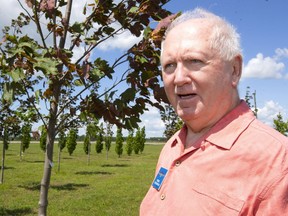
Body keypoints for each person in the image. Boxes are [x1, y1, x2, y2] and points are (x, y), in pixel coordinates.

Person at [140, 8, 288, 215]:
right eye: (169, 66)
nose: (179, 78)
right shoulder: (173, 146)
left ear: (234, 70)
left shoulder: (277, 164)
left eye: (194, 61)